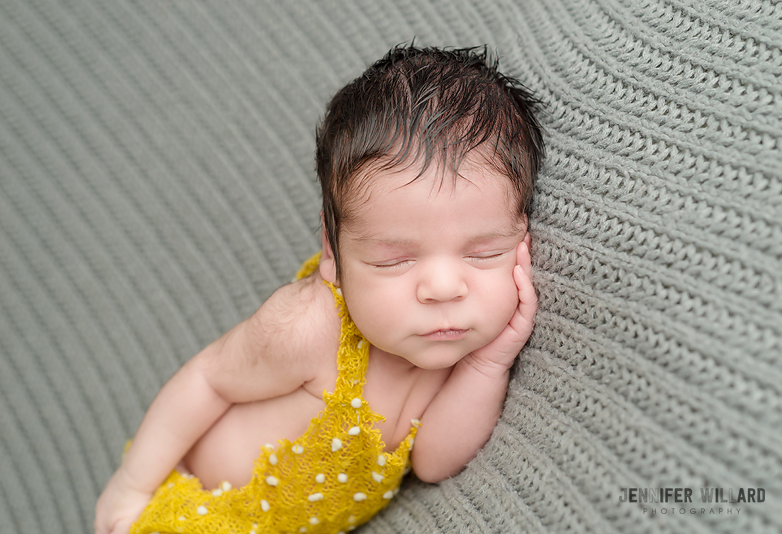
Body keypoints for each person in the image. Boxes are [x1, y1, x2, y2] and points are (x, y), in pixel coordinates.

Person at [94, 44, 544, 534]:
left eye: (483, 254)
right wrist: (131, 486)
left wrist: (487, 364)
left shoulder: (455, 347)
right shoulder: (311, 329)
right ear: (333, 254)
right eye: (393, 259)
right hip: (195, 511)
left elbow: (433, 463)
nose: (442, 288)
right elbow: (208, 378)